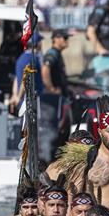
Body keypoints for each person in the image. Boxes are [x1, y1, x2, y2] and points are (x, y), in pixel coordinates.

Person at [40, 29, 71, 161]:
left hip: (59, 99)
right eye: (64, 37)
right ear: (56, 39)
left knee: (59, 130)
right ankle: (48, 162)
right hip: (52, 100)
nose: (66, 40)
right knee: (53, 131)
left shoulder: (57, 53)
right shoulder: (52, 53)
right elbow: (45, 69)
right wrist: (51, 88)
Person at [11, 31, 43, 113]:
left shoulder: (21, 58)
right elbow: (25, 80)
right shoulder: (32, 59)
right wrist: (18, 97)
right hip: (28, 101)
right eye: (40, 41)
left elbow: (16, 78)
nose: (41, 44)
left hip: (22, 99)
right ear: (36, 44)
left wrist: (15, 95)